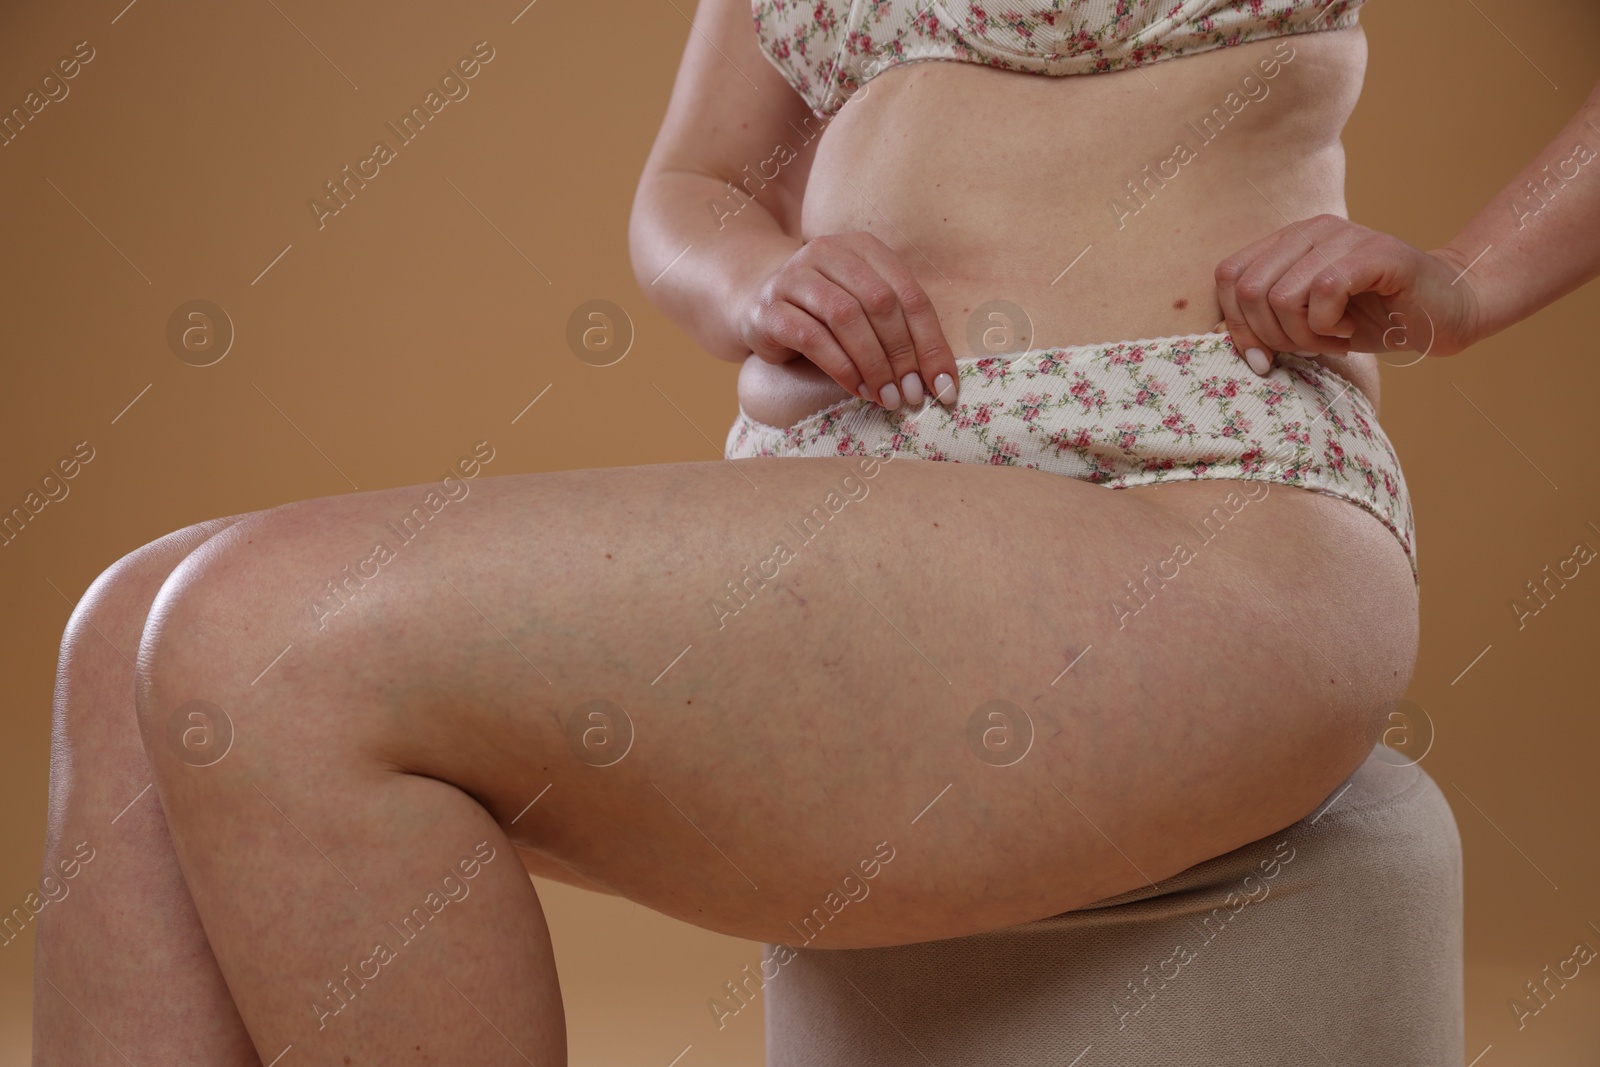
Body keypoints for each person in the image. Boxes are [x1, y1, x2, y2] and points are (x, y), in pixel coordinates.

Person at [30, 0, 1600, 1061]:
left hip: (1186, 483)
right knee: (127, 636)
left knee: (263, 637)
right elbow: (694, 184)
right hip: (858, 491)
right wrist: (753, 281)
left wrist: (1467, 282)